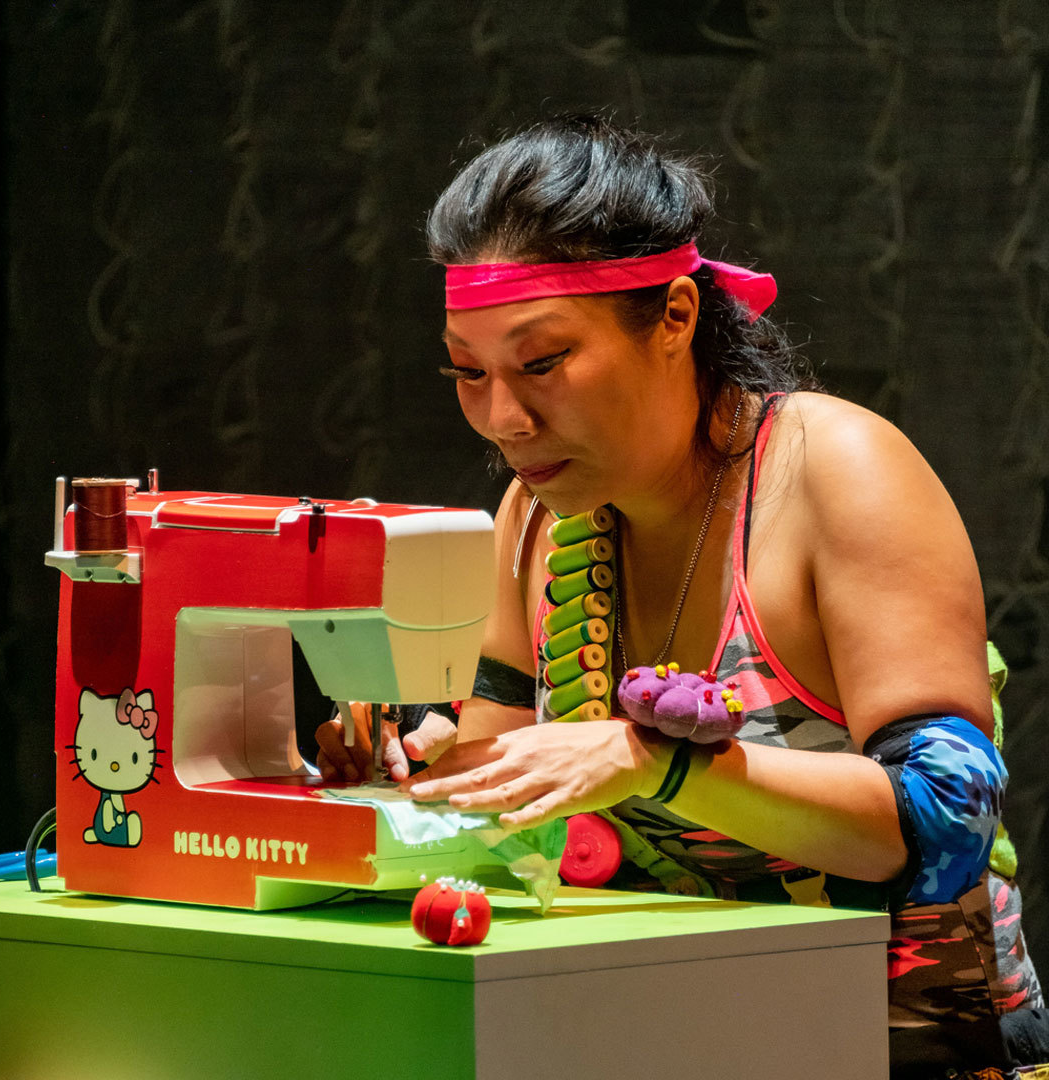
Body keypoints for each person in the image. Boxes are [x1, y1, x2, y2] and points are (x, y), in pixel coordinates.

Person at [317, 115, 1045, 1078]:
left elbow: (947, 824)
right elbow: (512, 797)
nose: (503, 419)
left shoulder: (833, 471)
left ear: (674, 316)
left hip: (904, 1047)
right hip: (677, 1034)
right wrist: (409, 781)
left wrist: (651, 764)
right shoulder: (535, 517)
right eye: (468, 372)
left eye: (542, 364)